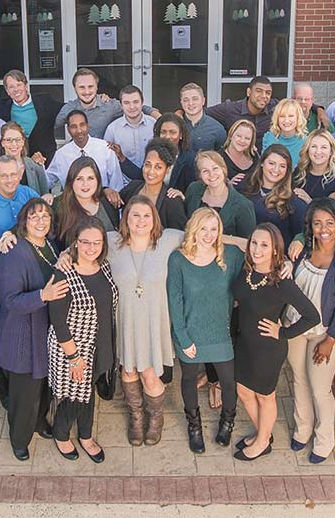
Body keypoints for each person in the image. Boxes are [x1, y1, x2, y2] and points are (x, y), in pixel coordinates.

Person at [232, 223, 320, 460]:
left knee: (265, 395)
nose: (257, 249)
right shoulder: (246, 270)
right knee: (243, 390)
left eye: (264, 245)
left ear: (274, 249)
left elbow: (312, 316)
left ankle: (262, 442)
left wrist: (284, 333)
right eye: (254, 243)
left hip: (268, 348)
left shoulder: (282, 281)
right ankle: (264, 432)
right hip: (244, 343)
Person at [286, 199, 335, 462]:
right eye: (317, 223)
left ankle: (324, 439)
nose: (323, 229)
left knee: (320, 388)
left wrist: (331, 340)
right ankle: (303, 428)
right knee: (298, 379)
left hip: (326, 331)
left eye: (329, 223)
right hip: (294, 326)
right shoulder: (302, 250)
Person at [0, 199, 68, 460]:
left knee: (43, 385)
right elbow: (11, 301)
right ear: (24, 220)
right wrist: (43, 295)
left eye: (45, 216)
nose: (41, 221)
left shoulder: (49, 244)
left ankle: (38, 423)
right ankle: (19, 438)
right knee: (24, 393)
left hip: (44, 330)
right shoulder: (14, 253)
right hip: (22, 334)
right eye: (34, 216)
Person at [167, 208, 245, 452]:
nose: (209, 235)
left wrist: (284, 265)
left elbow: (259, 262)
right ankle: (194, 426)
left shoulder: (230, 255)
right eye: (204, 228)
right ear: (194, 229)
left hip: (220, 334)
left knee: (228, 383)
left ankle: (228, 421)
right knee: (188, 379)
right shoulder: (178, 259)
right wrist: (183, 337)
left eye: (214, 229)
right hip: (189, 334)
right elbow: (175, 301)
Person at [111, 196, 183, 447]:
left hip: (154, 320)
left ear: (154, 220)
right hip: (125, 319)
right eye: (135, 215)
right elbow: (78, 246)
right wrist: (65, 256)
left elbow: (207, 235)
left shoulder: (169, 240)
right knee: (128, 369)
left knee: (150, 375)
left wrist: (248, 243)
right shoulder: (111, 242)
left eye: (146, 216)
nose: (141, 221)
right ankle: (136, 415)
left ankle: (155, 418)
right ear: (126, 219)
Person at [48, 218, 117, 462]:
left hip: (99, 344)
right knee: (73, 396)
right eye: (85, 242)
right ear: (75, 244)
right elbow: (57, 320)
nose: (91, 247)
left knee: (87, 391)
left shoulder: (104, 266)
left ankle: (86, 435)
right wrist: (74, 358)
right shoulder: (64, 273)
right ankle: (61, 433)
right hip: (73, 348)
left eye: (96, 242)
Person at [54, 67, 158, 140]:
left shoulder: (109, 105)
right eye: (82, 87)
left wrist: (158, 117)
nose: (86, 91)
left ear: (97, 87)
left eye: (90, 86)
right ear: (75, 88)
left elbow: (136, 107)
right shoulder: (69, 109)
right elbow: (49, 127)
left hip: (103, 158)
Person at [46, 110, 124, 195]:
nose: (79, 130)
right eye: (73, 126)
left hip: (102, 202)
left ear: (88, 126)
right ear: (68, 129)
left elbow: (116, 185)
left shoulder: (105, 149)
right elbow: (47, 182)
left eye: (82, 125)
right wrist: (36, 166)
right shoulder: (61, 155)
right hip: (72, 205)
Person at [0, 69, 61, 164]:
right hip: (14, 159)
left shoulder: (45, 101)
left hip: (44, 158)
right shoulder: (2, 106)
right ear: (7, 91)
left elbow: (66, 110)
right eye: (11, 87)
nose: (16, 90)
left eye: (19, 85)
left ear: (26, 86)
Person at [184, 151, 256, 242]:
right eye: (205, 171)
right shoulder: (193, 189)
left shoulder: (243, 205)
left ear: (223, 169)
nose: (211, 174)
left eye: (215, 168)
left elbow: (248, 243)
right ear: (200, 175)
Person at [243, 145, 307, 248]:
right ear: (262, 163)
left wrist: (299, 241)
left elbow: (305, 232)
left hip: (276, 258)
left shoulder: (293, 201)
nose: (276, 169)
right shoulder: (245, 187)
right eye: (272, 163)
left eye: (282, 166)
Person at [119, 140, 187, 231]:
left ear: (167, 170)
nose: (151, 171)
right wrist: (106, 190)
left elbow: (179, 235)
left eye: (158, 167)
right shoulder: (132, 187)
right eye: (147, 165)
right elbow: (113, 203)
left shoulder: (172, 201)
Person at [54, 157, 119, 246]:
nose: (85, 184)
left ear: (97, 180)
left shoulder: (108, 201)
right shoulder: (58, 207)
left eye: (90, 178)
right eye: (79, 179)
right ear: (71, 181)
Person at [0, 122, 49, 195]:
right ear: (2, 143)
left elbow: (44, 197)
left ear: (23, 141)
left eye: (18, 139)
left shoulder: (36, 167)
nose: (14, 144)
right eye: (8, 140)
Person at [105, 85, 157, 180]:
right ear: (121, 105)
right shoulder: (112, 129)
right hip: (123, 183)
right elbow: (107, 161)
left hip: (151, 180)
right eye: (126, 103)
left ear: (142, 103)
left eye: (136, 102)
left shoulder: (154, 125)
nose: (132, 107)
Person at [206, 75, 276, 139]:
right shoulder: (230, 109)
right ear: (249, 92)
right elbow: (202, 114)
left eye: (268, 93)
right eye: (259, 91)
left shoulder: (275, 109)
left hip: (264, 152)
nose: (264, 96)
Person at [292, 130, 335, 202]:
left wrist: (309, 201)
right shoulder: (299, 171)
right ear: (308, 149)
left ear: (331, 151)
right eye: (314, 146)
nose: (318, 152)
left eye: (324, 147)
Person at [153, 113, 198, 192]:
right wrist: (123, 159)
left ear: (181, 135)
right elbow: (140, 177)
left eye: (172, 132)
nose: (167, 137)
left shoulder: (190, 158)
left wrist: (181, 195)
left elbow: (192, 190)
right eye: (163, 132)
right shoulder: (153, 153)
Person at [179, 83, 226, 152]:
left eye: (195, 99)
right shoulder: (175, 125)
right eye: (186, 100)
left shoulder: (217, 129)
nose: (190, 103)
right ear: (181, 103)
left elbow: (221, 159)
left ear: (203, 101)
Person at [261, 98, 308, 167]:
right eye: (282, 116)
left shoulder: (306, 142)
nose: (286, 120)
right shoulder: (269, 138)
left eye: (291, 116)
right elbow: (263, 165)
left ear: (298, 118)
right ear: (277, 118)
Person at [221, 119, 259, 190]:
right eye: (239, 136)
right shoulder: (218, 158)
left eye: (247, 138)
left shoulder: (254, 156)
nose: (242, 141)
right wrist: (228, 185)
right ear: (231, 136)